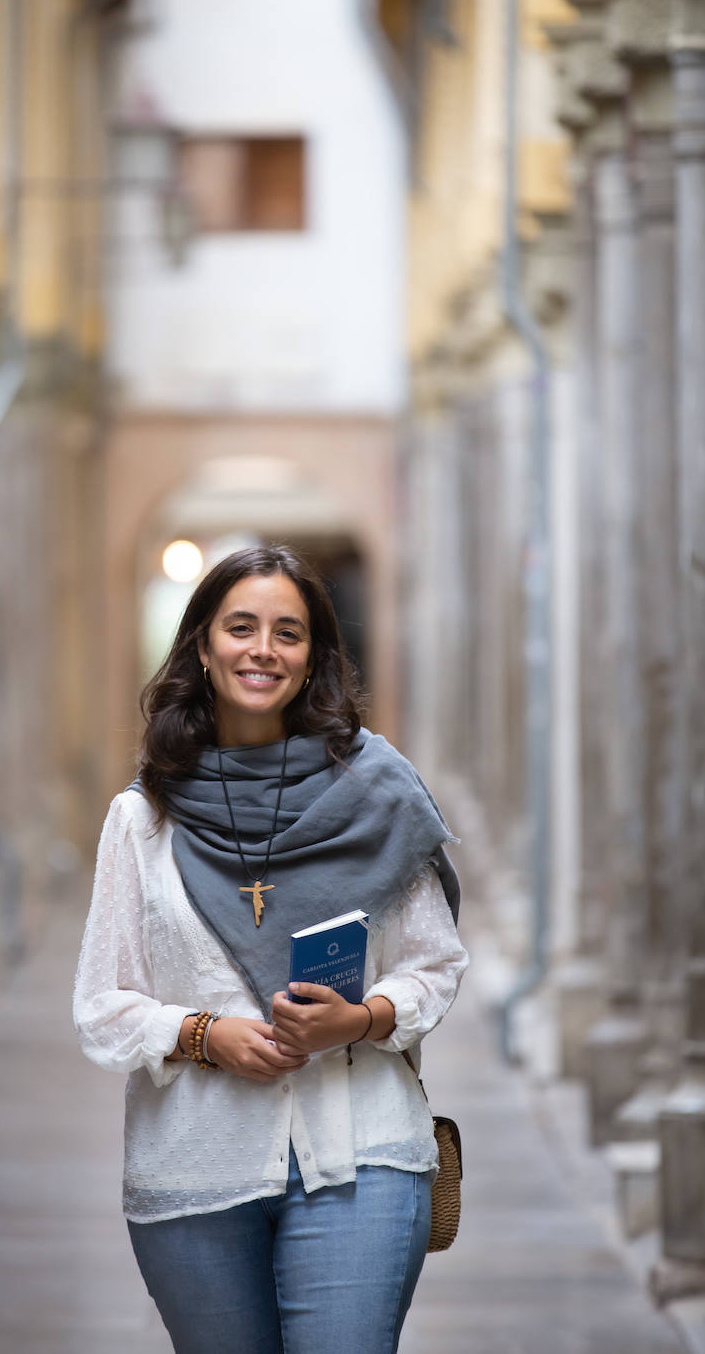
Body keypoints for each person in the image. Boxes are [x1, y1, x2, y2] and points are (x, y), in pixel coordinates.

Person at [73, 545, 468, 1354]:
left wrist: (357, 1020)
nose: (263, 649)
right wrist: (202, 1035)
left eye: (287, 632)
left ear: (314, 658)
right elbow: (102, 1006)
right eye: (241, 627)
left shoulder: (378, 794)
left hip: (362, 1152)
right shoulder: (143, 821)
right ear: (203, 647)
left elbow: (434, 963)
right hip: (195, 1166)